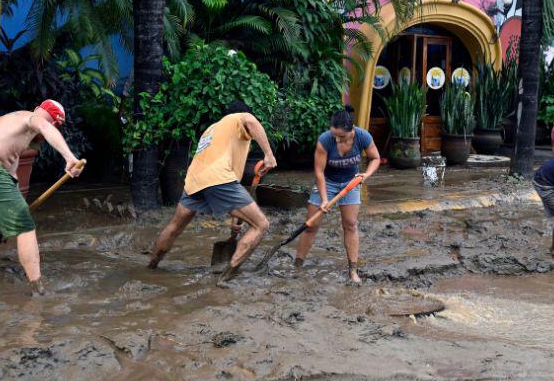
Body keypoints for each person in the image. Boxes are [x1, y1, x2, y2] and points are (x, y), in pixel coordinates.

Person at [0, 100, 84, 294]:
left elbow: (10, 173)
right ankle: (38, 290)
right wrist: (70, 158)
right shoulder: (33, 120)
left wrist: (14, 210)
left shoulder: (11, 121)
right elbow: (44, 126)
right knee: (25, 227)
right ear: (55, 123)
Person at [148, 101, 276, 277]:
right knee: (261, 225)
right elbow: (250, 120)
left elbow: (232, 183)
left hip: (195, 181)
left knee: (175, 227)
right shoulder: (239, 118)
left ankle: (151, 266)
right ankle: (226, 278)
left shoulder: (212, 130)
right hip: (217, 178)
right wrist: (268, 154)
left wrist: (236, 218)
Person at [294, 106, 381, 285]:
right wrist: (324, 199)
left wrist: (366, 175)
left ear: (352, 130)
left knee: (350, 224)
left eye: (341, 137)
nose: (337, 139)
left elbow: (375, 158)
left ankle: (353, 270)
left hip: (351, 183)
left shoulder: (363, 136)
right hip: (327, 182)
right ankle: (297, 265)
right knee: (312, 225)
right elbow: (319, 172)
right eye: (335, 135)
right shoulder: (325, 140)